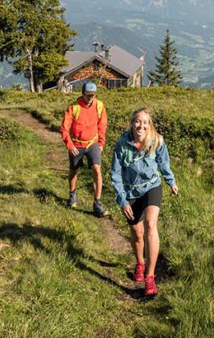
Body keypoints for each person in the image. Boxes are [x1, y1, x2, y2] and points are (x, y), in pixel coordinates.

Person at [110, 107, 178, 297]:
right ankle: (140, 263)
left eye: (145, 122)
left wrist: (170, 181)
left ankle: (150, 277)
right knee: (137, 234)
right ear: (132, 123)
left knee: (150, 224)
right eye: (138, 121)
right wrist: (122, 200)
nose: (141, 125)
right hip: (131, 191)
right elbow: (115, 174)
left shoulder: (156, 141)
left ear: (150, 125)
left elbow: (164, 163)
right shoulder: (122, 144)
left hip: (152, 187)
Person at [61, 81, 109, 217]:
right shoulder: (73, 107)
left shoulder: (99, 106)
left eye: (93, 95)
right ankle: (72, 196)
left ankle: (97, 203)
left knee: (97, 169)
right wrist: (69, 145)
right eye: (88, 95)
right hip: (76, 144)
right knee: (74, 170)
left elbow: (102, 125)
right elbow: (64, 128)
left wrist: (101, 143)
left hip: (92, 143)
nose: (90, 98)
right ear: (82, 94)